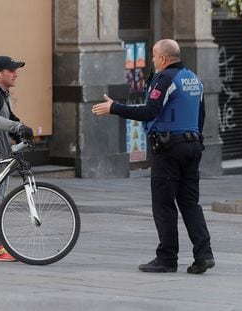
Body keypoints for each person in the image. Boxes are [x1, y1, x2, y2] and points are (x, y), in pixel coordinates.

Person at [92, 39, 215, 274]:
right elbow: (201, 115)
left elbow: (150, 111)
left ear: (163, 58)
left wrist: (114, 108)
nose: (152, 60)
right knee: (190, 203)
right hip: (192, 146)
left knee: (164, 204)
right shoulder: (193, 78)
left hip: (170, 149)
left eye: (154, 56)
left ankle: (167, 259)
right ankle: (204, 254)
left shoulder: (166, 79)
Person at [0, 55, 33, 261]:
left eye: (16, 70)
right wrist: (18, 127)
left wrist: (21, 134)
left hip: (2, 152)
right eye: (11, 71)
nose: (15, 74)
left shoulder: (4, 94)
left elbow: (9, 121)